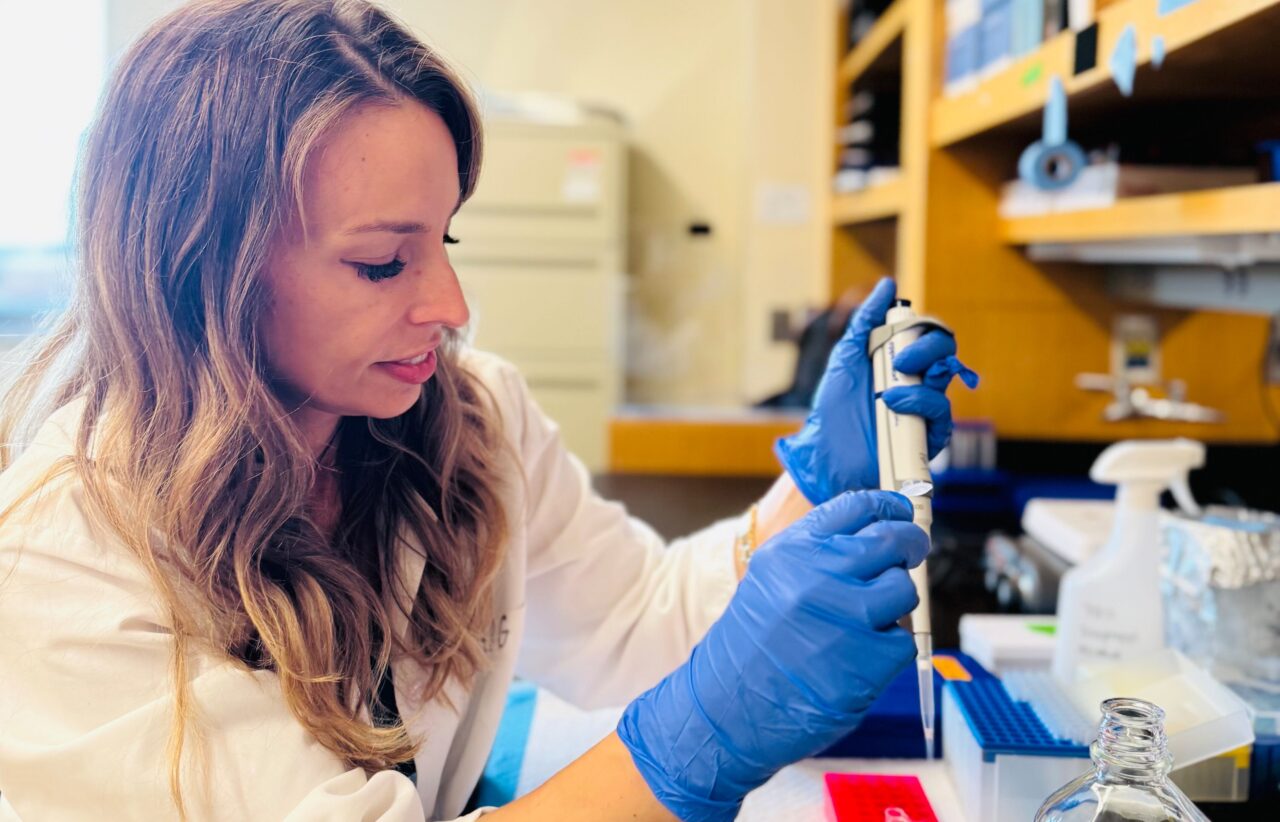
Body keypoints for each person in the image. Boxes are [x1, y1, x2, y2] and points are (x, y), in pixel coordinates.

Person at [0, 1, 973, 820]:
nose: (450, 308)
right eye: (383, 262)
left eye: (443, 240)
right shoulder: (61, 569)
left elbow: (630, 622)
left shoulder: (465, 418)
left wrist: (811, 489)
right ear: (200, 267)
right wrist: (696, 739)